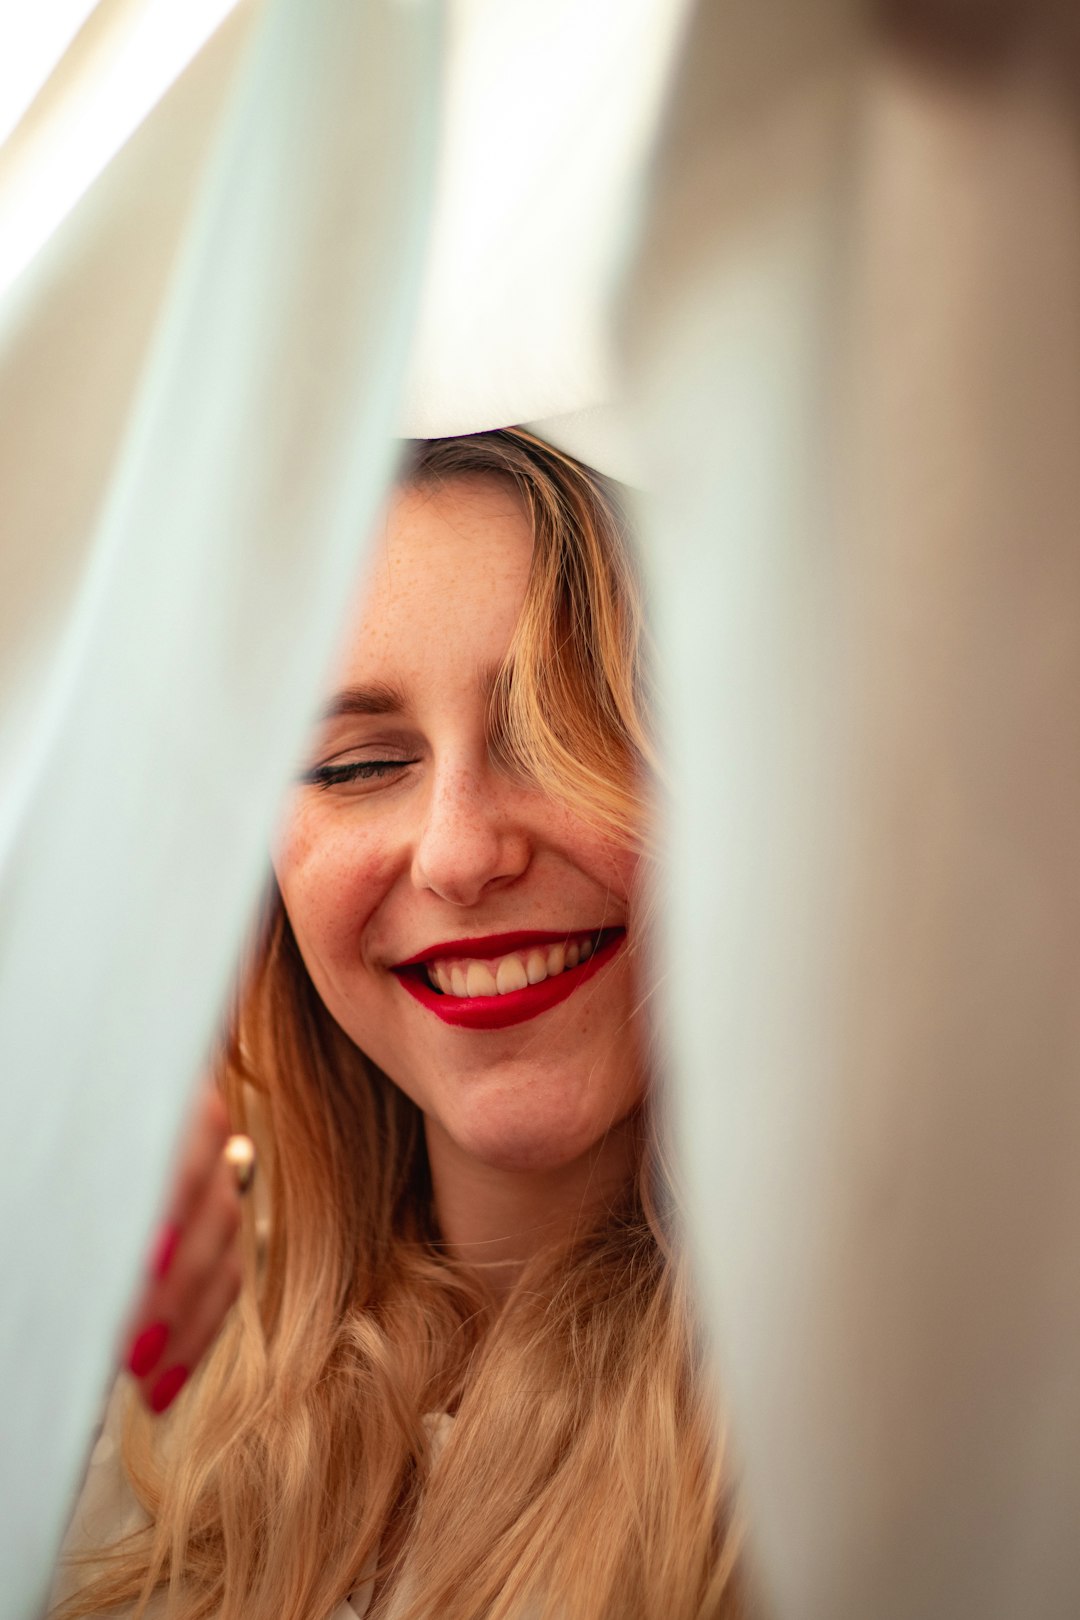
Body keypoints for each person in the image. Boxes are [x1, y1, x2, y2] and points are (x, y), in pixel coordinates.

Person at [51, 430, 745, 1620]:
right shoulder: (132, 1430)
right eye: (359, 764)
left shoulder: (900, 1423)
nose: (463, 851)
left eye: (558, 729)